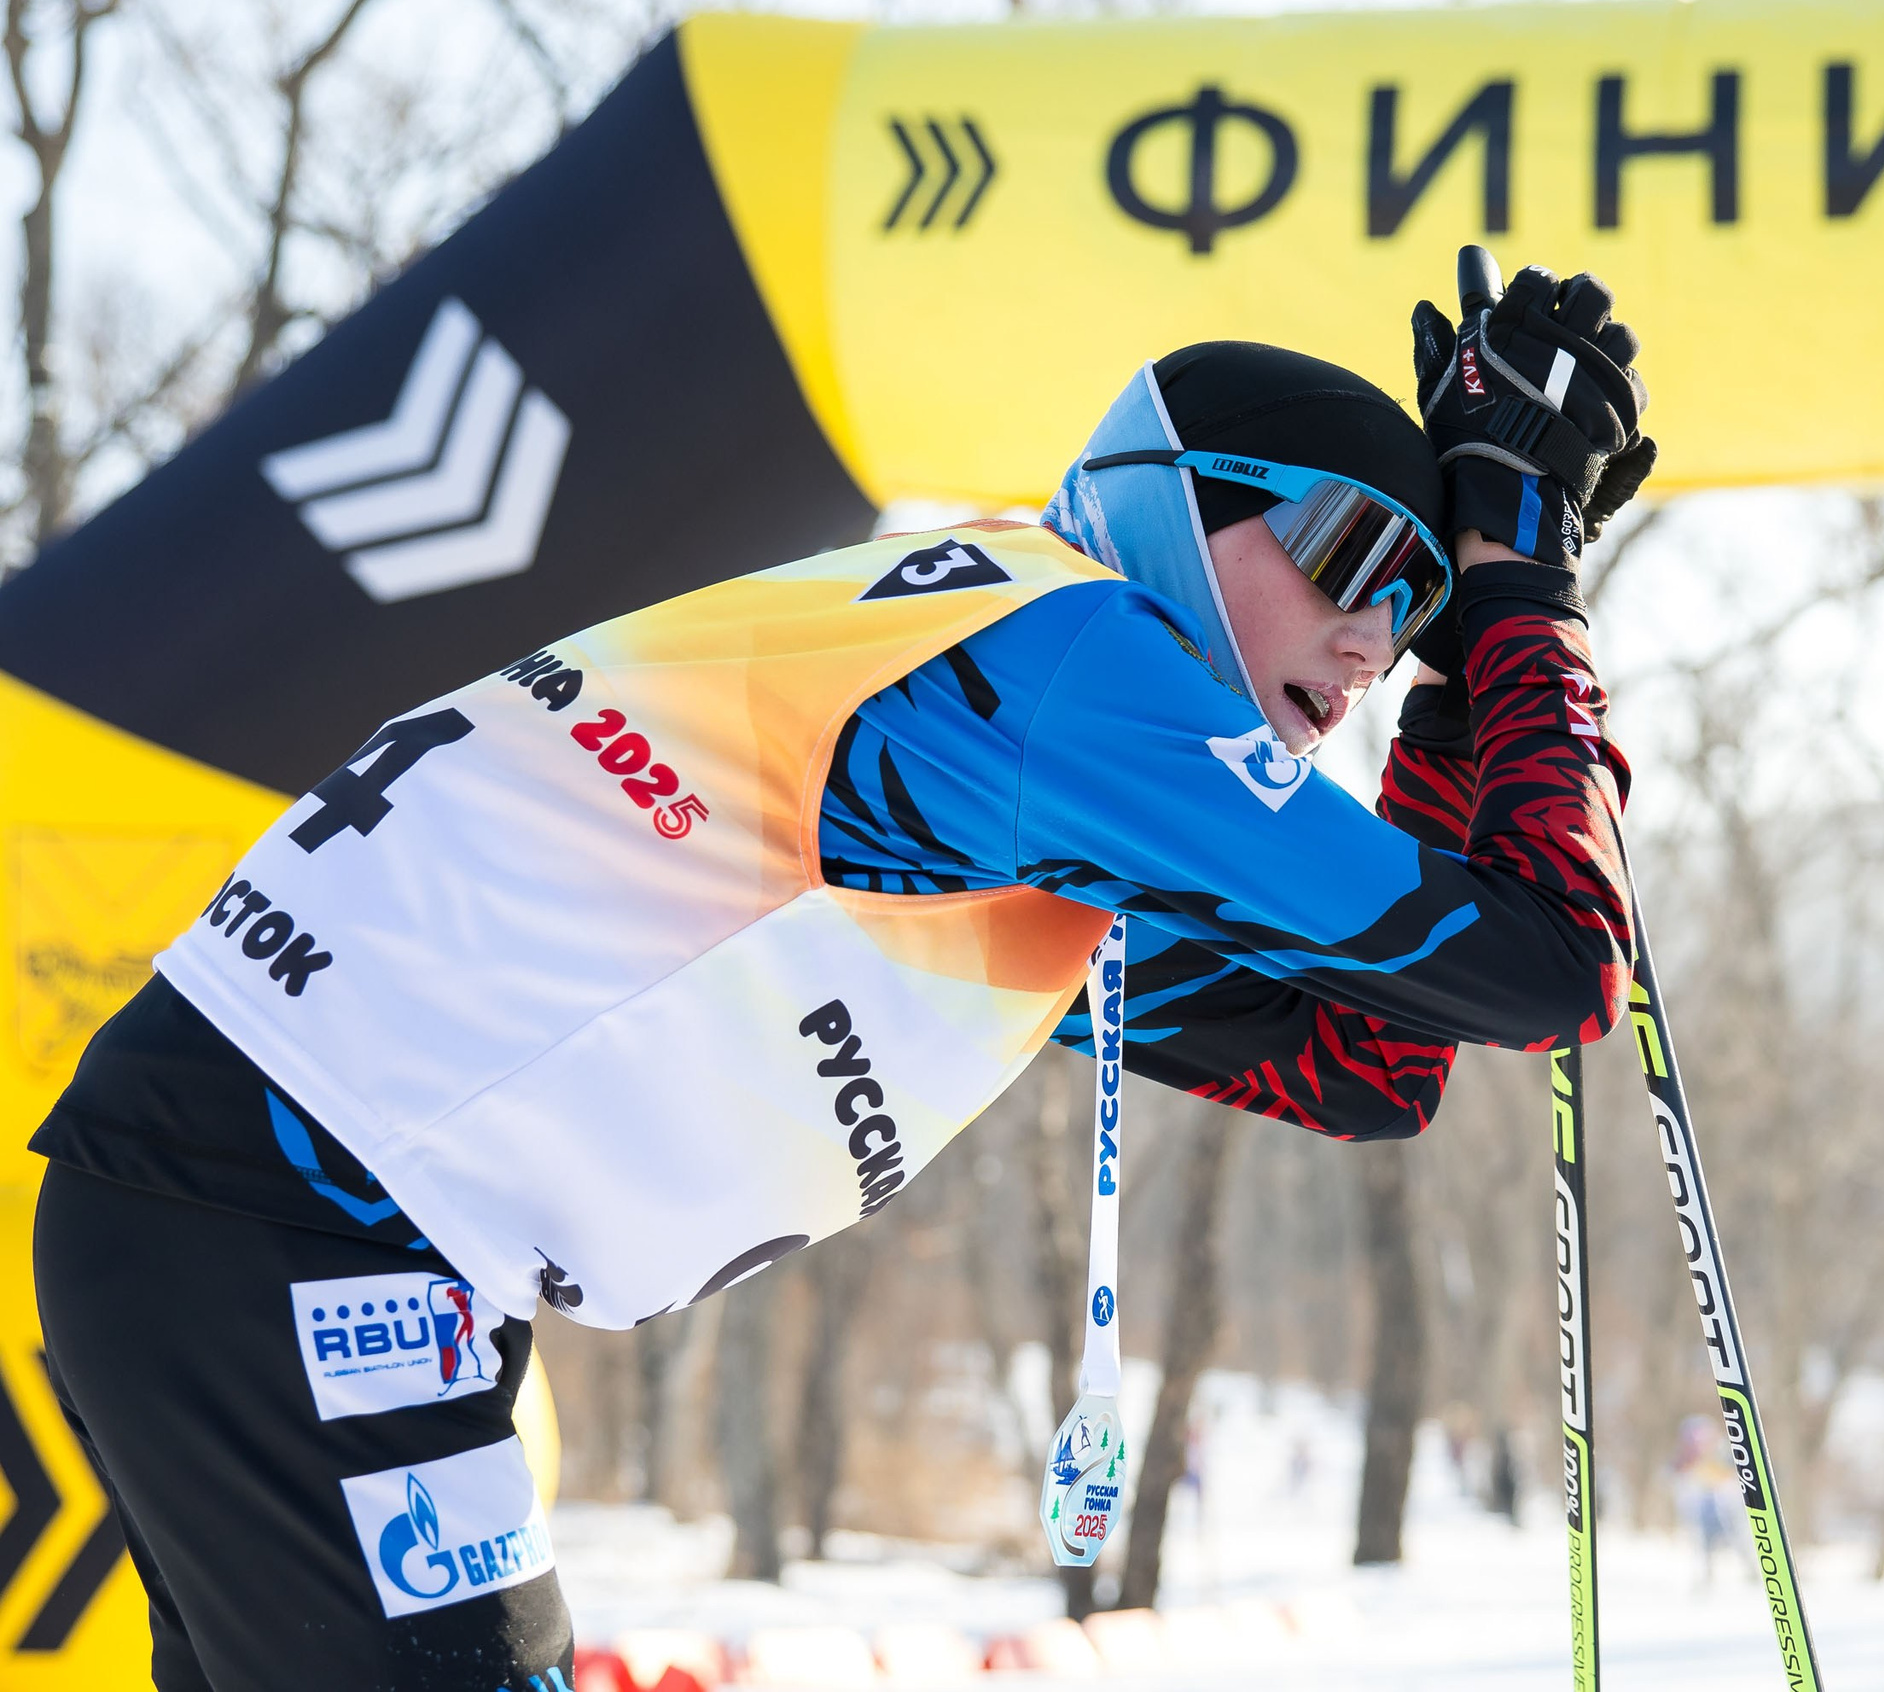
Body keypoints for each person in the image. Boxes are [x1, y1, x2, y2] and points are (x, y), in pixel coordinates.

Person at [27, 263, 1654, 1690]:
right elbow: (1553, 965)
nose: (1372, 637)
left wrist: (1464, 681)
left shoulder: (1040, 785)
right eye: (1347, 550)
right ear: (1163, 495)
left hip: (292, 1220)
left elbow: (1374, 1062)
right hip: (296, 1219)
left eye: (1409, 607)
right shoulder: (1076, 666)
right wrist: (1516, 593)